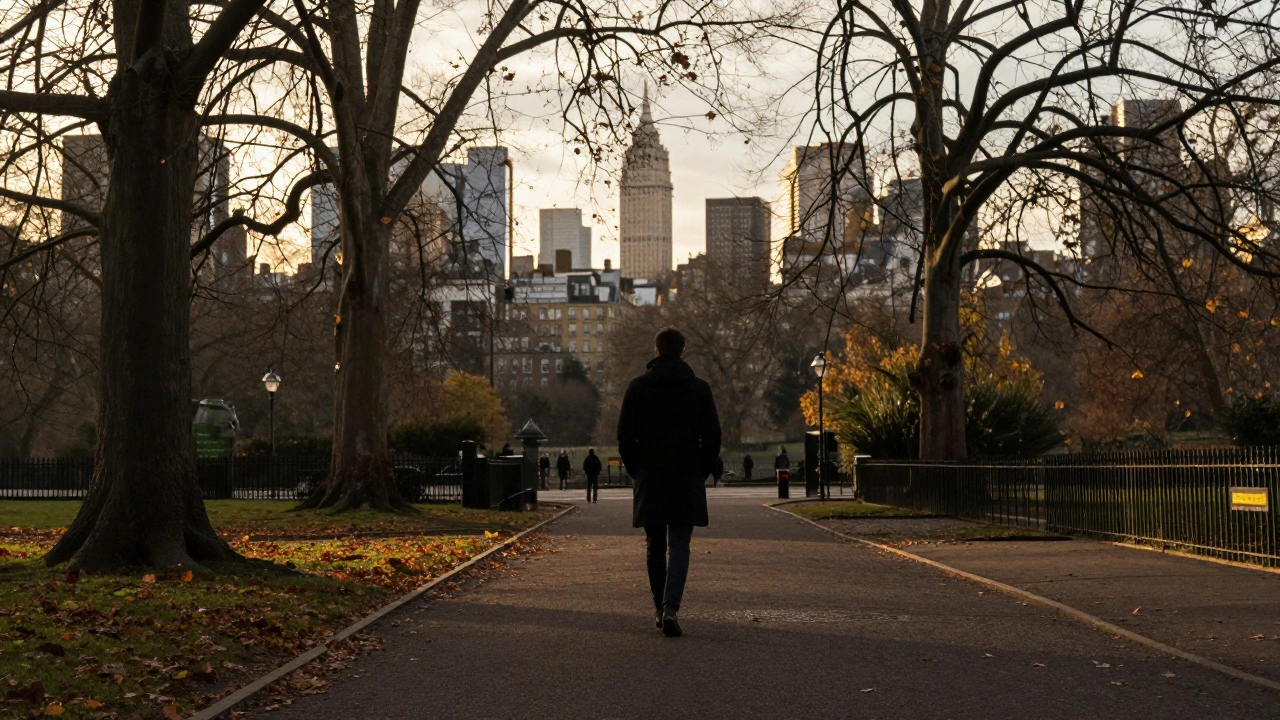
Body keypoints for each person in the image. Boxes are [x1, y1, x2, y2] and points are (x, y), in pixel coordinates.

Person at [617, 327, 721, 638]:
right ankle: (671, 605)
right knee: (679, 545)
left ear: (657, 350)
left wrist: (637, 470)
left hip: (651, 474)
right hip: (686, 474)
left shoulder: (637, 388)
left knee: (654, 546)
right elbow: (713, 437)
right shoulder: (699, 389)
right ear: (682, 350)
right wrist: (700, 470)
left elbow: (625, 437)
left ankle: (658, 607)